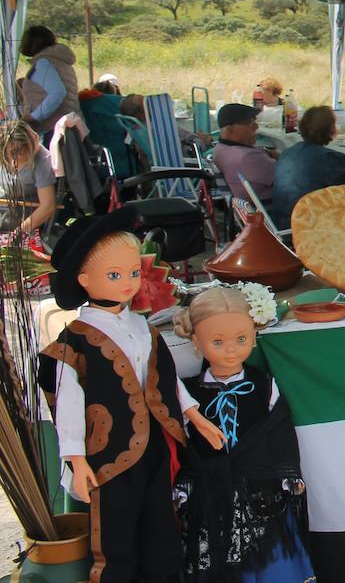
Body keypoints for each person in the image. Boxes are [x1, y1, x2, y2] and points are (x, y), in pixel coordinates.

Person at [37, 208, 225, 583]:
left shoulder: (141, 327)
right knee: (114, 538)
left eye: (133, 273)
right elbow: (69, 402)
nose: (128, 283)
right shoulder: (74, 340)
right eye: (114, 275)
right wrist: (75, 458)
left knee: (161, 527)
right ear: (84, 279)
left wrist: (195, 416)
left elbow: (163, 380)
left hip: (154, 446)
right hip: (109, 454)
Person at [172, 286, 315, 583]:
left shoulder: (264, 386)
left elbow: (280, 435)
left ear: (254, 334)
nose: (230, 349)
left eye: (241, 339)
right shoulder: (188, 394)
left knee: (271, 563)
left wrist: (288, 474)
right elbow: (185, 445)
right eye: (217, 341)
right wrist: (185, 483)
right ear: (196, 341)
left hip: (262, 493)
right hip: (211, 496)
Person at [271, 106, 345, 226]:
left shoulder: (288, 152)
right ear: (331, 129)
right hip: (306, 226)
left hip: (279, 221)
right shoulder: (332, 158)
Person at [0, 120, 57, 244]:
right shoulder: (5, 151)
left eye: (18, 152)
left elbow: (47, 207)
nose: (12, 158)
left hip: (21, 213)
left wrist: (18, 232)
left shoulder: (43, 163)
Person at [19, 25, 80, 137]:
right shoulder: (58, 61)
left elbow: (58, 92)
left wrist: (35, 116)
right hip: (66, 126)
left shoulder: (43, 64)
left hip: (52, 129)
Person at [214, 103, 277, 204]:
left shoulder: (220, 148)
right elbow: (289, 176)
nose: (256, 127)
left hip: (247, 207)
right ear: (231, 130)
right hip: (271, 209)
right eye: (250, 123)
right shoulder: (247, 157)